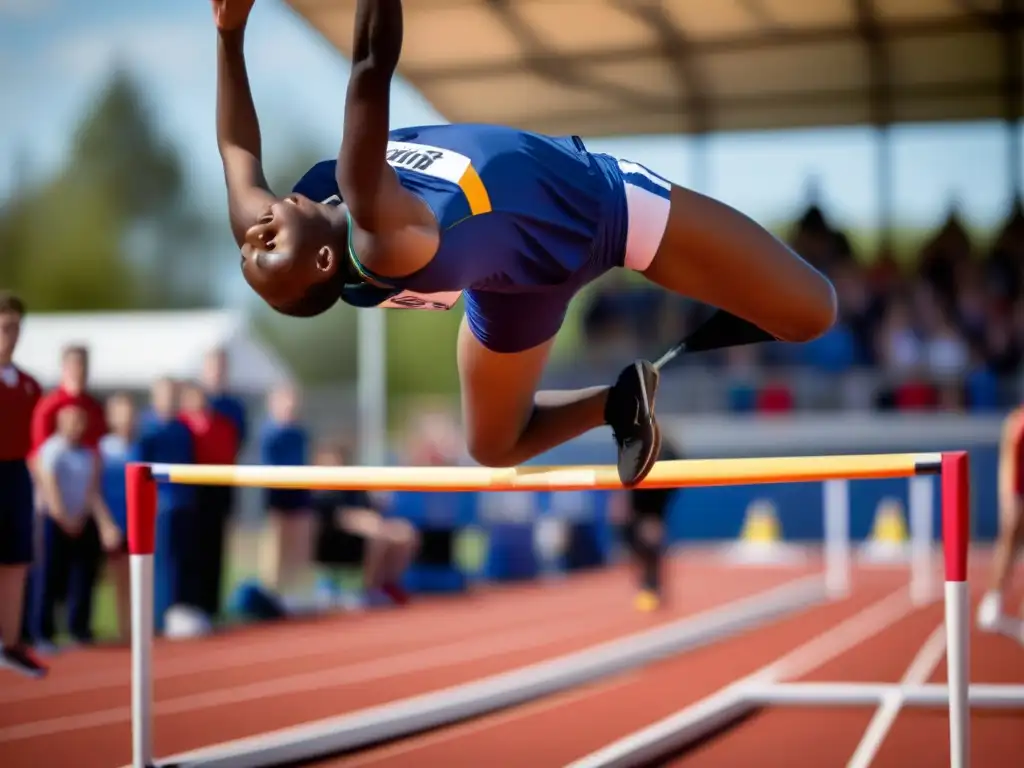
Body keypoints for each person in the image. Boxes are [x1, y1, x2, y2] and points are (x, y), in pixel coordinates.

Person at [211, 0, 836, 488]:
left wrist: (229, 34)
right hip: (603, 215)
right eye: (266, 243)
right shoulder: (375, 227)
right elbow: (371, 66)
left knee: (808, 313)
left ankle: (627, 391)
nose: (257, 229)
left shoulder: (303, 214)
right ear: (322, 260)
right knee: (493, 444)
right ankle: (617, 403)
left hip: (536, 247)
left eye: (251, 240)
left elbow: (237, 151)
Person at [31, 406, 122, 650]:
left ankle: (79, 629)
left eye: (81, 421)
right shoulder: (51, 450)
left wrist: (100, 523)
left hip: (83, 520)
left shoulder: (89, 454)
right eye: (72, 421)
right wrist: (62, 517)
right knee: (49, 576)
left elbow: (93, 491)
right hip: (54, 521)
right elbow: (48, 484)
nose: (77, 427)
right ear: (61, 423)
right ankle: (43, 633)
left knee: (83, 577)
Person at [0, 292, 47, 677]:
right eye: (4, 327)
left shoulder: (30, 385)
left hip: (17, 475)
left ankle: (11, 643)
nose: (10, 335)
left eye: (16, 328)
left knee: (16, 560)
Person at [311, 439, 418, 607]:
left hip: (364, 534)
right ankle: (369, 590)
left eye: (337, 462)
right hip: (334, 541)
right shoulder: (319, 490)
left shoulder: (353, 486)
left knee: (405, 532)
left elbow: (371, 508)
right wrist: (360, 520)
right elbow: (335, 516)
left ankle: (388, 585)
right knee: (378, 535)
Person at [134, 378, 196, 630]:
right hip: (158, 505)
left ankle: (175, 612)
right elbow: (139, 468)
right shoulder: (146, 429)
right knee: (159, 563)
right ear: (155, 396)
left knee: (180, 561)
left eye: (174, 394)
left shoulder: (182, 429)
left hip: (182, 502)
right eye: (166, 394)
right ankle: (158, 617)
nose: (170, 399)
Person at [178, 382, 239, 620]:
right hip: (190, 493)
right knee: (190, 551)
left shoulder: (223, 425)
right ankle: (188, 605)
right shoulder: (181, 425)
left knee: (215, 550)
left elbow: (229, 455)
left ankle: (210, 606)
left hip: (217, 492)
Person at [257, 384, 313, 598]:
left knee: (299, 543)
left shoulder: (300, 432)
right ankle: (271, 591)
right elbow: (268, 464)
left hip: (299, 493)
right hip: (277, 493)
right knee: (276, 544)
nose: (291, 406)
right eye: (286, 400)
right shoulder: (269, 433)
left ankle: (295, 591)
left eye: (293, 401)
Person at [977, 406, 1024, 641]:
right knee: (1008, 543)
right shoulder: (1017, 422)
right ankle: (993, 598)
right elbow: (1009, 464)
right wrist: (1008, 500)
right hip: (1018, 492)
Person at [623, 440, 683, 612]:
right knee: (639, 546)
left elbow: (674, 482)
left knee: (650, 541)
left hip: (652, 501)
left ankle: (652, 586)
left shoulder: (666, 451)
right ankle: (648, 585)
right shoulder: (633, 444)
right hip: (640, 501)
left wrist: (654, 515)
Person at [98, 393, 138, 642]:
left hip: (134, 522)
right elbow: (95, 487)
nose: (127, 418)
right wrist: (105, 522)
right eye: (121, 413)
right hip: (111, 520)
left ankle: (131, 628)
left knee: (134, 577)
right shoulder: (103, 448)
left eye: (130, 413)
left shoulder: (140, 447)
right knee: (109, 576)